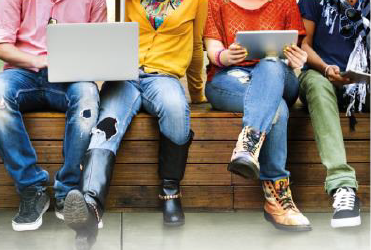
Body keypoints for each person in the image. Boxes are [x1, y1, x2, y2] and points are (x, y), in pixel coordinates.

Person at [63, 0, 207, 249]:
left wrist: (197, 93)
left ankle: (170, 190)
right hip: (125, 76)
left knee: (176, 108)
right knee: (106, 126)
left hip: (164, 76)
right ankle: (90, 206)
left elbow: (195, 44)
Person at [204, 0, 311, 231]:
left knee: (271, 63)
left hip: (280, 76)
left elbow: (297, 49)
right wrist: (225, 56)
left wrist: (297, 60)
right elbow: (212, 49)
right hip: (231, 78)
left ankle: (248, 146)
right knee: (277, 108)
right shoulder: (217, 2)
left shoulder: (285, 2)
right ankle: (278, 202)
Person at [0, 0, 106, 231]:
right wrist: (38, 61)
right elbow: (2, 46)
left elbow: (99, 47)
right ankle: (32, 189)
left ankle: (68, 191)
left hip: (70, 75)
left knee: (88, 97)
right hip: (22, 72)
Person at [298, 0, 369, 228]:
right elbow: (303, 44)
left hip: (363, 81)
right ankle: (342, 186)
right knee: (317, 86)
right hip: (321, 74)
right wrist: (326, 68)